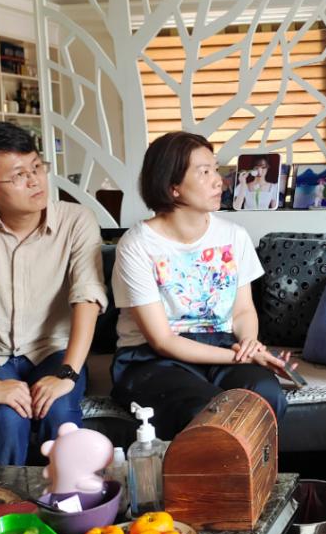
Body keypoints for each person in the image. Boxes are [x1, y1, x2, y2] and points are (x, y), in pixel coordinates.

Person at [0, 122, 106, 465]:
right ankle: (1, 497)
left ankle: (70, 496)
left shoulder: (77, 220)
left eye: (37, 167)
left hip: (54, 350)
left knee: (60, 412)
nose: (35, 180)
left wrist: (67, 374)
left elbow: (87, 296)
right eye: (19, 175)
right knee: (7, 418)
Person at [111, 131, 290, 439]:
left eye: (216, 170)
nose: (218, 181)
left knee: (264, 393)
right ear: (173, 186)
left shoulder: (234, 236)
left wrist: (249, 343)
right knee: (205, 409)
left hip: (221, 346)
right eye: (204, 172)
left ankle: (258, 472)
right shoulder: (137, 245)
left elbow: (243, 311)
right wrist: (243, 356)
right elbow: (162, 341)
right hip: (153, 359)